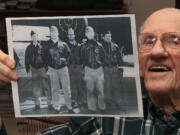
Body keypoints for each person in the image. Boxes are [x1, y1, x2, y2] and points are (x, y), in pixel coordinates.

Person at [36, 8, 180, 135]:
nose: (156, 51)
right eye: (149, 41)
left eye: (174, 41)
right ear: (141, 63)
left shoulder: (103, 46)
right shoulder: (108, 120)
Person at [42, 25, 74, 113]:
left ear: (58, 33)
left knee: (66, 88)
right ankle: (56, 107)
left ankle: (69, 106)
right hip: (52, 69)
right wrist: (47, 68)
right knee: (55, 89)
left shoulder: (64, 44)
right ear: (50, 33)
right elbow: (44, 57)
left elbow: (70, 57)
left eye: (55, 32)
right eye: (51, 32)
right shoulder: (46, 45)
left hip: (63, 69)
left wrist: (66, 63)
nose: (53, 33)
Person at [81, 26, 106, 113]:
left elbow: (103, 57)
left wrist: (100, 66)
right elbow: (82, 58)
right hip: (88, 69)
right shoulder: (83, 46)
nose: (90, 34)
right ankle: (92, 108)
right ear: (85, 34)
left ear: (94, 33)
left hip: (98, 69)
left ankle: (102, 107)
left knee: (100, 90)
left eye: (91, 32)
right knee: (90, 90)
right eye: (88, 32)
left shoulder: (99, 45)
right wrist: (85, 69)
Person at [25, 30, 51, 111]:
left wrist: (47, 67)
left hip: (43, 69)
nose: (34, 38)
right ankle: (37, 105)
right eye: (33, 36)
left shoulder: (42, 46)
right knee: (36, 88)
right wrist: (27, 69)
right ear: (31, 38)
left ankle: (49, 104)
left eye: (35, 36)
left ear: (37, 36)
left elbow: (47, 57)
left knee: (46, 87)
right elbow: (27, 59)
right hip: (34, 70)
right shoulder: (28, 48)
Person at [101, 30, 123, 109]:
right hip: (105, 68)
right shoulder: (100, 46)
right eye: (107, 37)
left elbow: (120, 59)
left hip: (114, 68)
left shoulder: (115, 46)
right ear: (103, 37)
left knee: (116, 86)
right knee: (107, 86)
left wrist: (120, 69)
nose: (108, 38)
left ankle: (117, 102)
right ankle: (108, 102)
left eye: (110, 36)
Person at [66, 28, 85, 111]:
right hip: (70, 68)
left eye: (72, 34)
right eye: (69, 34)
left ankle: (83, 101)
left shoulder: (80, 45)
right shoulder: (65, 46)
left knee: (81, 85)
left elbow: (84, 56)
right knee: (72, 85)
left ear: (74, 35)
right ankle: (74, 101)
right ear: (67, 36)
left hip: (79, 67)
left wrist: (82, 66)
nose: (71, 36)